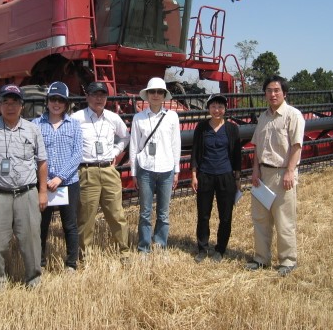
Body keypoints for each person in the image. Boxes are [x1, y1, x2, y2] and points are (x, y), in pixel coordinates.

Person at [0, 84, 48, 292]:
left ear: (22, 106)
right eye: (5, 101)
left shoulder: (32, 129)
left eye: (14, 102)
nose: (10, 106)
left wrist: (42, 192)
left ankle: (33, 280)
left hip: (27, 193)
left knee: (31, 240)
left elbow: (42, 161)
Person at [246, 75, 305, 276]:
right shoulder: (263, 117)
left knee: (284, 219)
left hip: (282, 175)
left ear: (284, 93)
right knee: (260, 218)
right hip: (262, 174)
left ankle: (287, 261)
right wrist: (255, 170)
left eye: (276, 90)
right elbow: (257, 147)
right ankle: (261, 258)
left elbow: (296, 147)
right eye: (269, 90)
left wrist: (290, 171)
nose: (272, 94)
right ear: (265, 94)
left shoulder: (293, 115)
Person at [72, 81, 130, 261]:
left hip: (108, 170)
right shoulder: (76, 118)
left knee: (117, 214)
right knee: (86, 217)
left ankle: (123, 252)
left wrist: (114, 152)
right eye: (95, 94)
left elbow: (125, 137)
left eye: (102, 95)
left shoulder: (113, 118)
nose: (99, 98)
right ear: (87, 97)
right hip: (86, 171)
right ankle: (84, 255)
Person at [32, 82, 83, 271]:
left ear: (66, 103)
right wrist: (43, 180)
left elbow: (77, 154)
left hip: (68, 182)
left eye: (61, 100)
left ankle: (71, 263)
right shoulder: (35, 125)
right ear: (47, 101)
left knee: (70, 224)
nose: (56, 103)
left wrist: (60, 177)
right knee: (41, 225)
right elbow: (31, 153)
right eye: (53, 99)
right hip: (43, 184)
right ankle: (40, 262)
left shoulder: (74, 125)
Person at [129, 77, 180, 254]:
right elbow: (134, 146)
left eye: (160, 92)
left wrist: (177, 171)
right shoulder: (139, 118)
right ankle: (144, 247)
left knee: (164, 212)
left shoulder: (172, 116)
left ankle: (160, 245)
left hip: (166, 169)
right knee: (145, 212)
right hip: (145, 170)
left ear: (164, 95)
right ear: (147, 95)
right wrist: (134, 172)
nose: (156, 95)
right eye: (153, 92)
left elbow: (176, 145)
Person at [190, 94, 241, 263]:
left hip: (225, 176)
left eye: (220, 107)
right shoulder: (202, 127)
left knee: (225, 215)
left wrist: (238, 178)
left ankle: (220, 249)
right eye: (213, 106)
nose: (217, 110)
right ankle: (202, 248)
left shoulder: (232, 129)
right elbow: (195, 152)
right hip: (205, 175)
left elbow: (237, 155)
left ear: (225, 109)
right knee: (203, 214)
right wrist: (194, 175)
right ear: (208, 108)